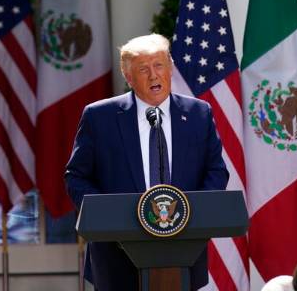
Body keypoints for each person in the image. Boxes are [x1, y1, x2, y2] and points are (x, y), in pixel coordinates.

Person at [64, 34, 229, 291]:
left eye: (159, 65)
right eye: (143, 69)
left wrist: (194, 214)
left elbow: (216, 171)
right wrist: (106, 216)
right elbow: (76, 176)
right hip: (115, 258)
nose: (154, 75)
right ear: (128, 77)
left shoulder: (198, 113)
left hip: (183, 253)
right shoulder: (100, 116)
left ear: (170, 68)